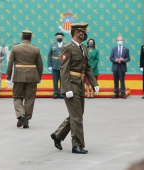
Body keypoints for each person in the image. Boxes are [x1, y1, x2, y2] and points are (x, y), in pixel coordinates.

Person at [50, 23, 99, 154]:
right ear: (77, 33)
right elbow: (63, 70)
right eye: (83, 32)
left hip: (80, 84)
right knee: (77, 117)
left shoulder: (83, 47)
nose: (85, 34)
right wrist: (67, 88)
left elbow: (87, 68)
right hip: (71, 85)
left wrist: (94, 84)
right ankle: (77, 145)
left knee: (77, 115)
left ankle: (58, 135)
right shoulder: (67, 48)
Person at [6, 30, 43, 128]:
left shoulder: (15, 48)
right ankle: (26, 121)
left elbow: (10, 63)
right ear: (30, 39)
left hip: (18, 76)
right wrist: (38, 77)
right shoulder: (36, 49)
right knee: (29, 99)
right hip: (32, 76)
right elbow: (40, 65)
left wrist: (8, 76)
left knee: (17, 97)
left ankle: (21, 115)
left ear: (21, 38)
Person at [48, 32, 66, 99]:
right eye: (58, 36)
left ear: (62, 37)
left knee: (62, 80)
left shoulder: (65, 45)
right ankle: (55, 93)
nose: (59, 37)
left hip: (63, 65)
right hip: (54, 65)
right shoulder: (53, 45)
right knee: (55, 80)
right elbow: (49, 55)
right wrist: (49, 65)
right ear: (56, 37)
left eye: (60, 36)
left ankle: (61, 92)